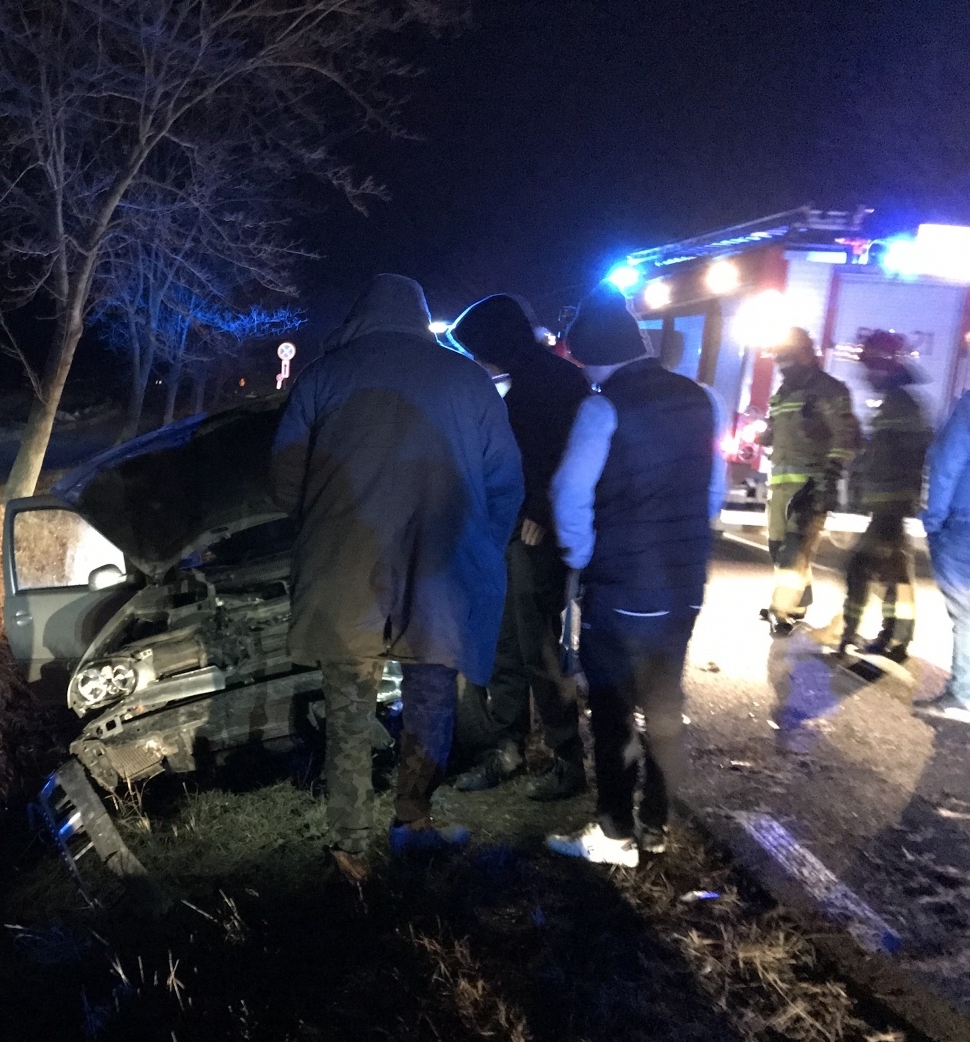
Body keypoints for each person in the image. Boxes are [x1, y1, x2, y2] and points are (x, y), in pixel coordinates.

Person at [270, 274, 524, 882]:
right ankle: (413, 820)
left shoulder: (323, 376)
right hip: (440, 570)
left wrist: (328, 524)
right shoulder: (469, 380)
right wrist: (476, 547)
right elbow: (504, 482)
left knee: (349, 710)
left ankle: (349, 847)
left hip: (345, 571)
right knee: (431, 697)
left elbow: (284, 482)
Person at [544, 284, 727, 867]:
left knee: (614, 709)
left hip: (622, 588)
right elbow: (714, 493)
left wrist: (580, 556)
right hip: (684, 584)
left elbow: (568, 491)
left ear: (593, 353)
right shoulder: (703, 398)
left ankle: (615, 832)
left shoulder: (603, 407)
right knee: (666, 701)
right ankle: (656, 824)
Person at [446, 294, 590, 800]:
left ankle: (567, 758)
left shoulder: (558, 383)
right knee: (504, 643)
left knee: (539, 648)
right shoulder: (513, 383)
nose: (473, 360)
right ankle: (507, 747)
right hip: (501, 535)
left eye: (476, 349)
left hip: (534, 539)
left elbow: (575, 459)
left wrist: (543, 513)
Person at [832, 331, 932, 660]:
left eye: (872, 366)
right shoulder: (894, 402)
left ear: (885, 366)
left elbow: (911, 452)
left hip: (892, 504)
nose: (867, 374)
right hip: (888, 504)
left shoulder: (901, 403)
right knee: (894, 574)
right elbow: (887, 450)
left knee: (861, 568)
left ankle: (855, 633)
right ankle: (896, 637)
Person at [759, 328, 859, 634]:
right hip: (780, 484)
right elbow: (776, 427)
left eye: (787, 356)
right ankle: (799, 603)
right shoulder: (783, 392)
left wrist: (829, 476)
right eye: (779, 358)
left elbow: (847, 438)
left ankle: (782, 610)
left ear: (806, 354)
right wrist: (767, 433)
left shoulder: (830, 390)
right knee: (778, 546)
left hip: (811, 483)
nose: (782, 363)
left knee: (794, 549)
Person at [918, 387, 970, 722]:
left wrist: (933, 520)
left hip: (963, 525)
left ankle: (963, 695)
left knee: (965, 613)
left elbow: (947, 462)